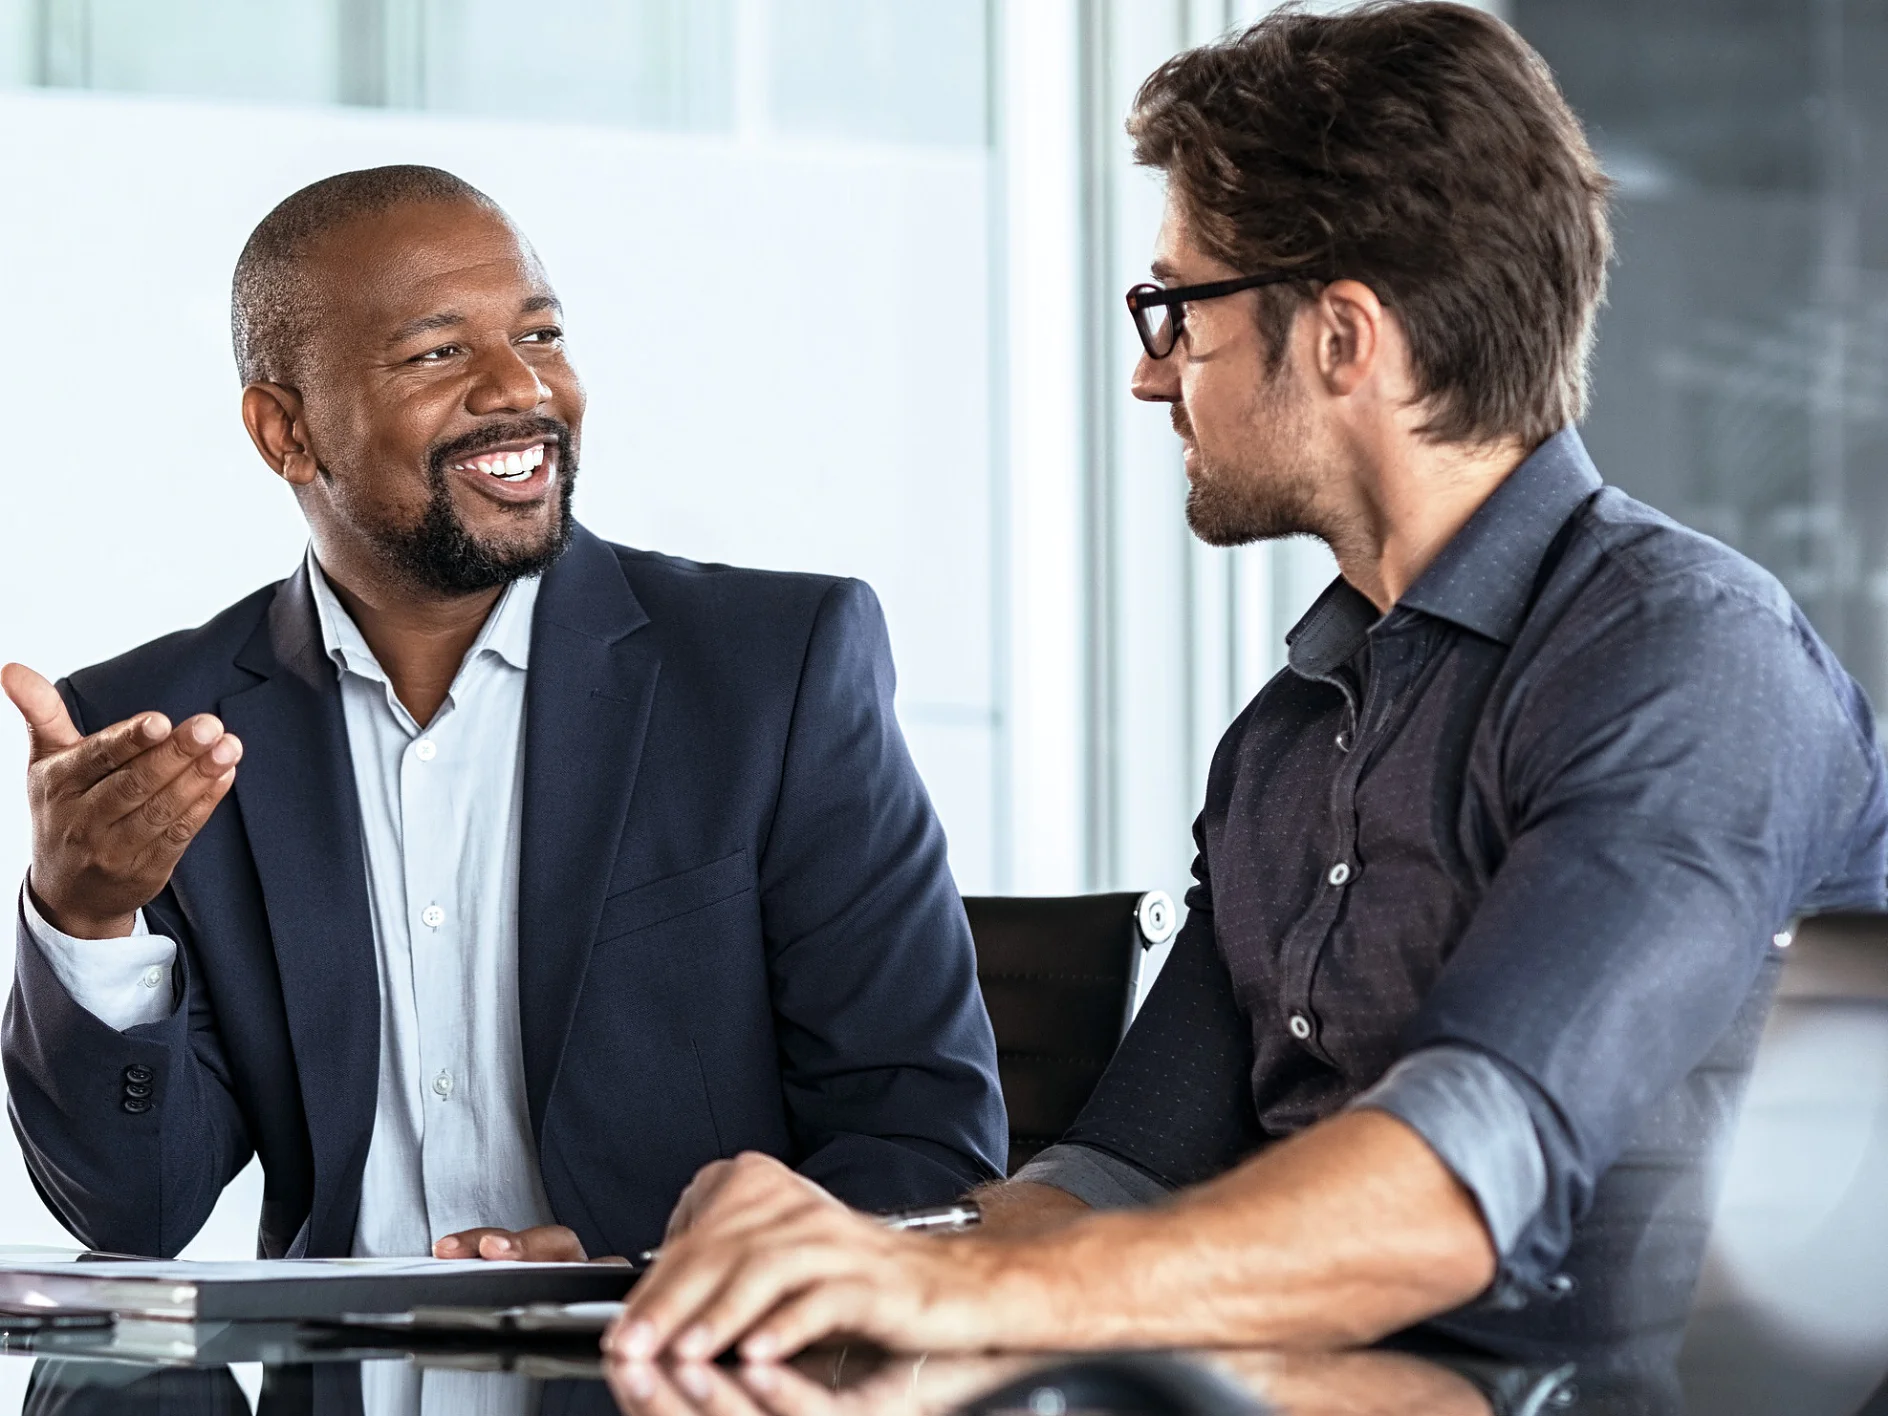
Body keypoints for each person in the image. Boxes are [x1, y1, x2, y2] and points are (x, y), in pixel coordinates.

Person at [600, 1, 1888, 1365]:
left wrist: (962, 1305)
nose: (1149, 375)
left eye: (1177, 310)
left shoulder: (1685, 660)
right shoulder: (1287, 735)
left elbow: (1457, 1187)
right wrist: (826, 1264)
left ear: (1342, 338)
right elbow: (1116, 1179)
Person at [2, 165, 1005, 1262]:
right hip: (331, 1359)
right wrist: (85, 922)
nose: (520, 387)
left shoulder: (773, 672)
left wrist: (643, 1277)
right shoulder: (159, 736)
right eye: (438, 353)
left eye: (540, 335)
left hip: (671, 1347)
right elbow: (137, 1213)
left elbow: (923, 1145)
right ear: (286, 431)